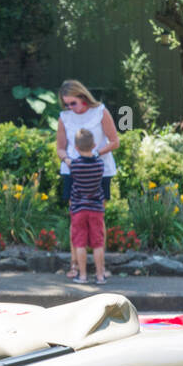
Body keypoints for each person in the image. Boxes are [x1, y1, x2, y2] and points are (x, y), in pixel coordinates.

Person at [55, 78, 119, 208]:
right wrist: (68, 161)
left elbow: (115, 142)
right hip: (73, 171)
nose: (70, 108)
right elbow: (60, 149)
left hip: (98, 170)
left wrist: (95, 154)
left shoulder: (100, 112)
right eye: (67, 105)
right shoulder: (64, 117)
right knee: (76, 214)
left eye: (73, 103)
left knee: (97, 213)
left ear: (82, 97)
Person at [67, 128, 108, 285]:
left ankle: (82, 276)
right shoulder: (99, 165)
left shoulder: (75, 165)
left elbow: (70, 162)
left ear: (76, 148)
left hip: (78, 209)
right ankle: (100, 276)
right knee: (98, 243)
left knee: (80, 243)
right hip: (96, 209)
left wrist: (65, 158)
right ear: (94, 145)